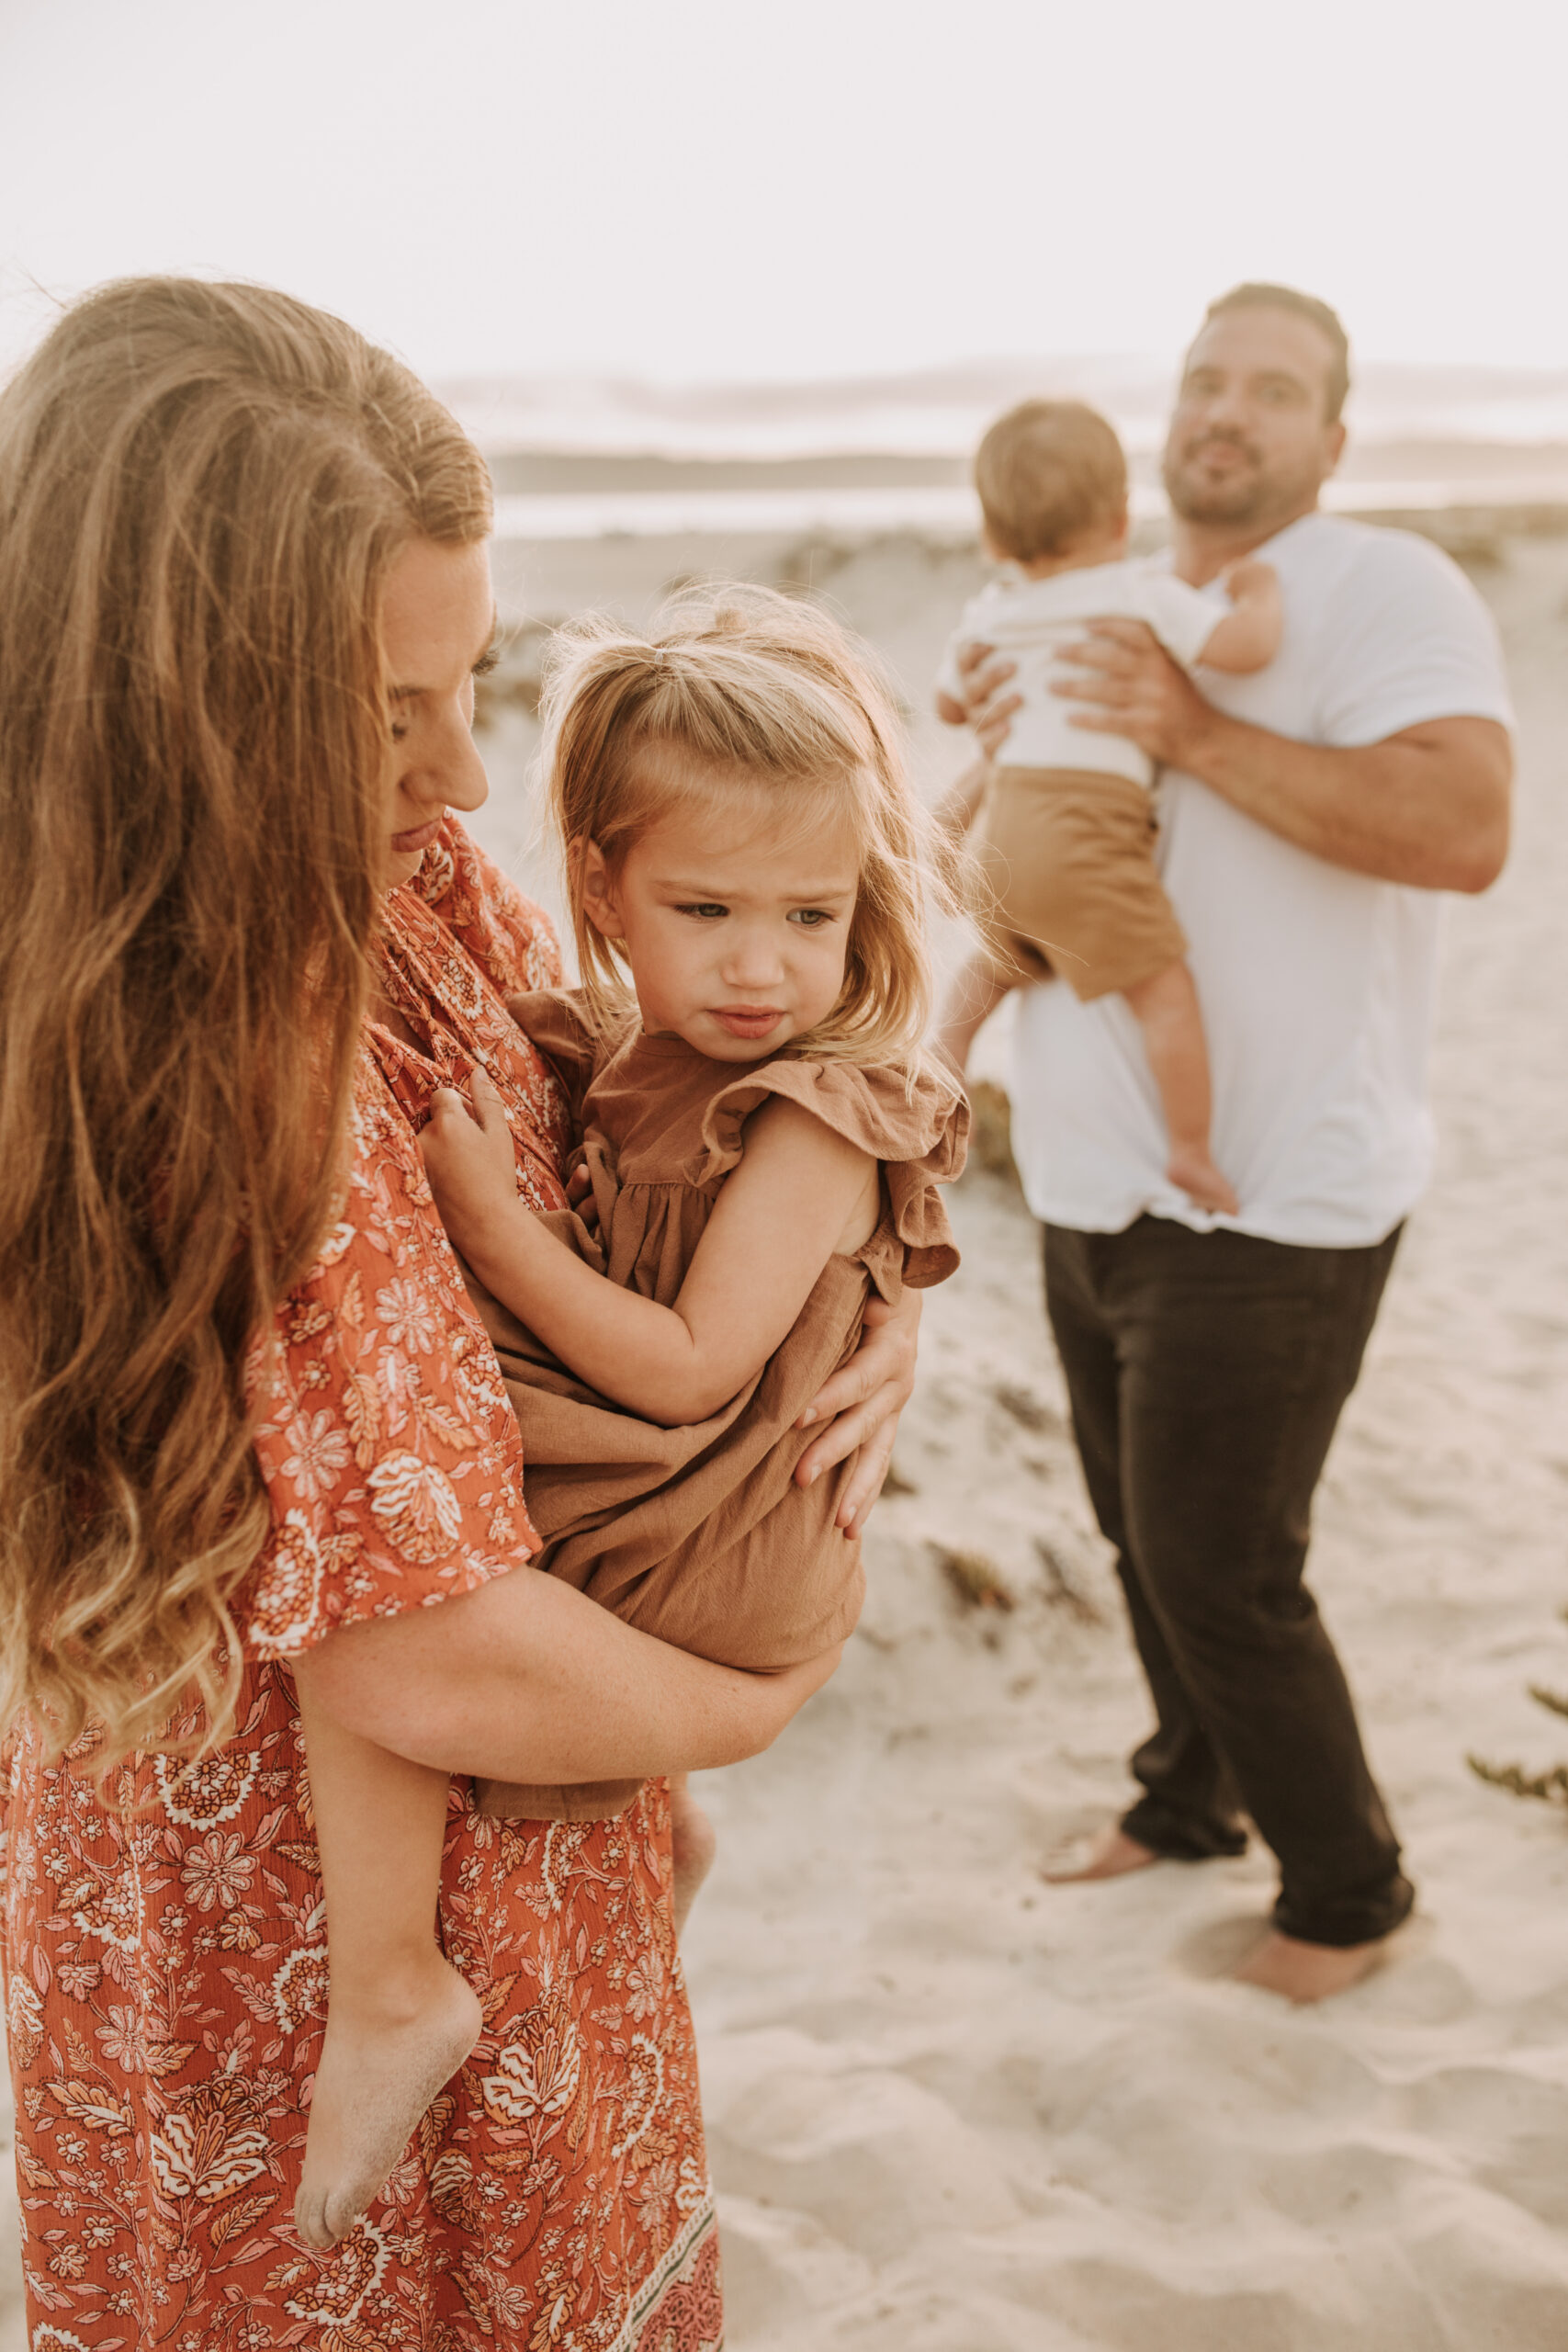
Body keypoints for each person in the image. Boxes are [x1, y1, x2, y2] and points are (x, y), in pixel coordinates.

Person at [0, 277, 920, 2351]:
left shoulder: (397, 881)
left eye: (473, 677)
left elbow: (650, 1133)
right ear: (176, 720)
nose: (458, 769)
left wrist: (849, 1297)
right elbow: (420, 1649)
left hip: (541, 1830)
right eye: (378, 708)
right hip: (289, 1931)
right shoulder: (180, 1063)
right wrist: (758, 1698)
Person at [295, 587, 966, 2247]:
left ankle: (389, 1979)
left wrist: (489, 1224)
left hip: (709, 1511)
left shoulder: (806, 1110)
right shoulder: (627, 1038)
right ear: (597, 883)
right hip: (689, 1484)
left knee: (349, 1572)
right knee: (372, 1511)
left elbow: (681, 1367)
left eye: (812, 918)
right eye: (707, 908)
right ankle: (659, 1818)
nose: (761, 966)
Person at [952, 283, 1513, 2003]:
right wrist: (1000, 729)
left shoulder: (1374, 591)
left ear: (1330, 441)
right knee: (1142, 1535)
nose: (1227, 411)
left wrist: (1194, 730)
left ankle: (1348, 1895)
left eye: (1274, 391)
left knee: (1220, 1566)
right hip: (1087, 1171)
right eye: (1205, 379)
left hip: (1276, 1200)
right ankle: (1184, 1802)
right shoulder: (1093, 595)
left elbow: (1465, 826)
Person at [931, 398, 1282, 1214]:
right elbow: (1240, 647)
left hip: (1004, 840)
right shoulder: (1134, 593)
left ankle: (944, 1064)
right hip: (1083, 844)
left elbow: (953, 706)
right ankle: (1192, 1151)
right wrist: (1258, 592)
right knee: (1164, 995)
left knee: (987, 971)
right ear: (1123, 515)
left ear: (993, 538)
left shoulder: (989, 609)